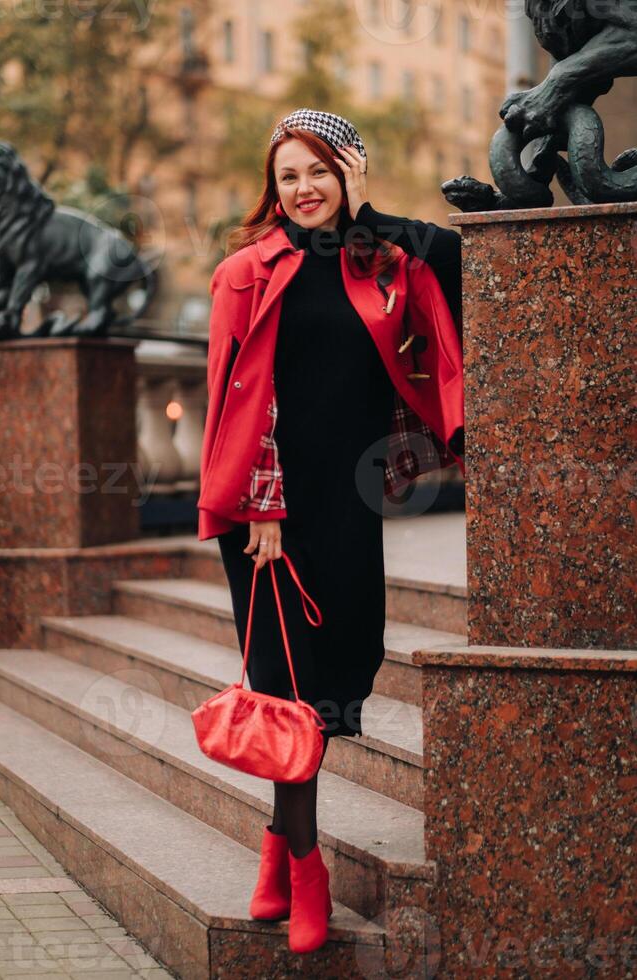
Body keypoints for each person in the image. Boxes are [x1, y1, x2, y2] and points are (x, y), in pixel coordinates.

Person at [197, 108, 464, 954]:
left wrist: (371, 211)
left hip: (350, 506)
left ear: (350, 173)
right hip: (266, 518)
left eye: (321, 170)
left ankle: (277, 851)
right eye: (288, 175)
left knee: (341, 677)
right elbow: (234, 402)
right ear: (270, 189)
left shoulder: (387, 262)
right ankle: (305, 872)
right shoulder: (243, 272)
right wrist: (265, 507)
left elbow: (459, 264)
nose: (304, 188)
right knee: (287, 690)